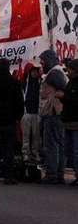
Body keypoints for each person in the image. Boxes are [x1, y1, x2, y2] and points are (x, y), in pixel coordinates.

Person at [39, 50, 68, 184]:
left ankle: (52, 174)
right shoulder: (56, 71)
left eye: (43, 61)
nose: (41, 64)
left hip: (54, 114)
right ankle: (58, 173)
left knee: (52, 145)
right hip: (56, 113)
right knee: (58, 145)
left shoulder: (54, 73)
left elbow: (63, 89)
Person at [60, 59, 78, 186]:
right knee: (70, 151)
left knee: (76, 151)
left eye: (70, 69)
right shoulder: (70, 82)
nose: (68, 71)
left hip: (76, 121)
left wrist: (63, 97)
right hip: (68, 121)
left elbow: (74, 99)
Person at [21, 61, 42, 164]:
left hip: (37, 112)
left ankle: (35, 153)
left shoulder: (41, 83)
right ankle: (25, 153)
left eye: (36, 71)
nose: (34, 73)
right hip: (26, 112)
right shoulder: (24, 83)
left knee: (36, 136)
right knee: (26, 135)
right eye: (32, 71)